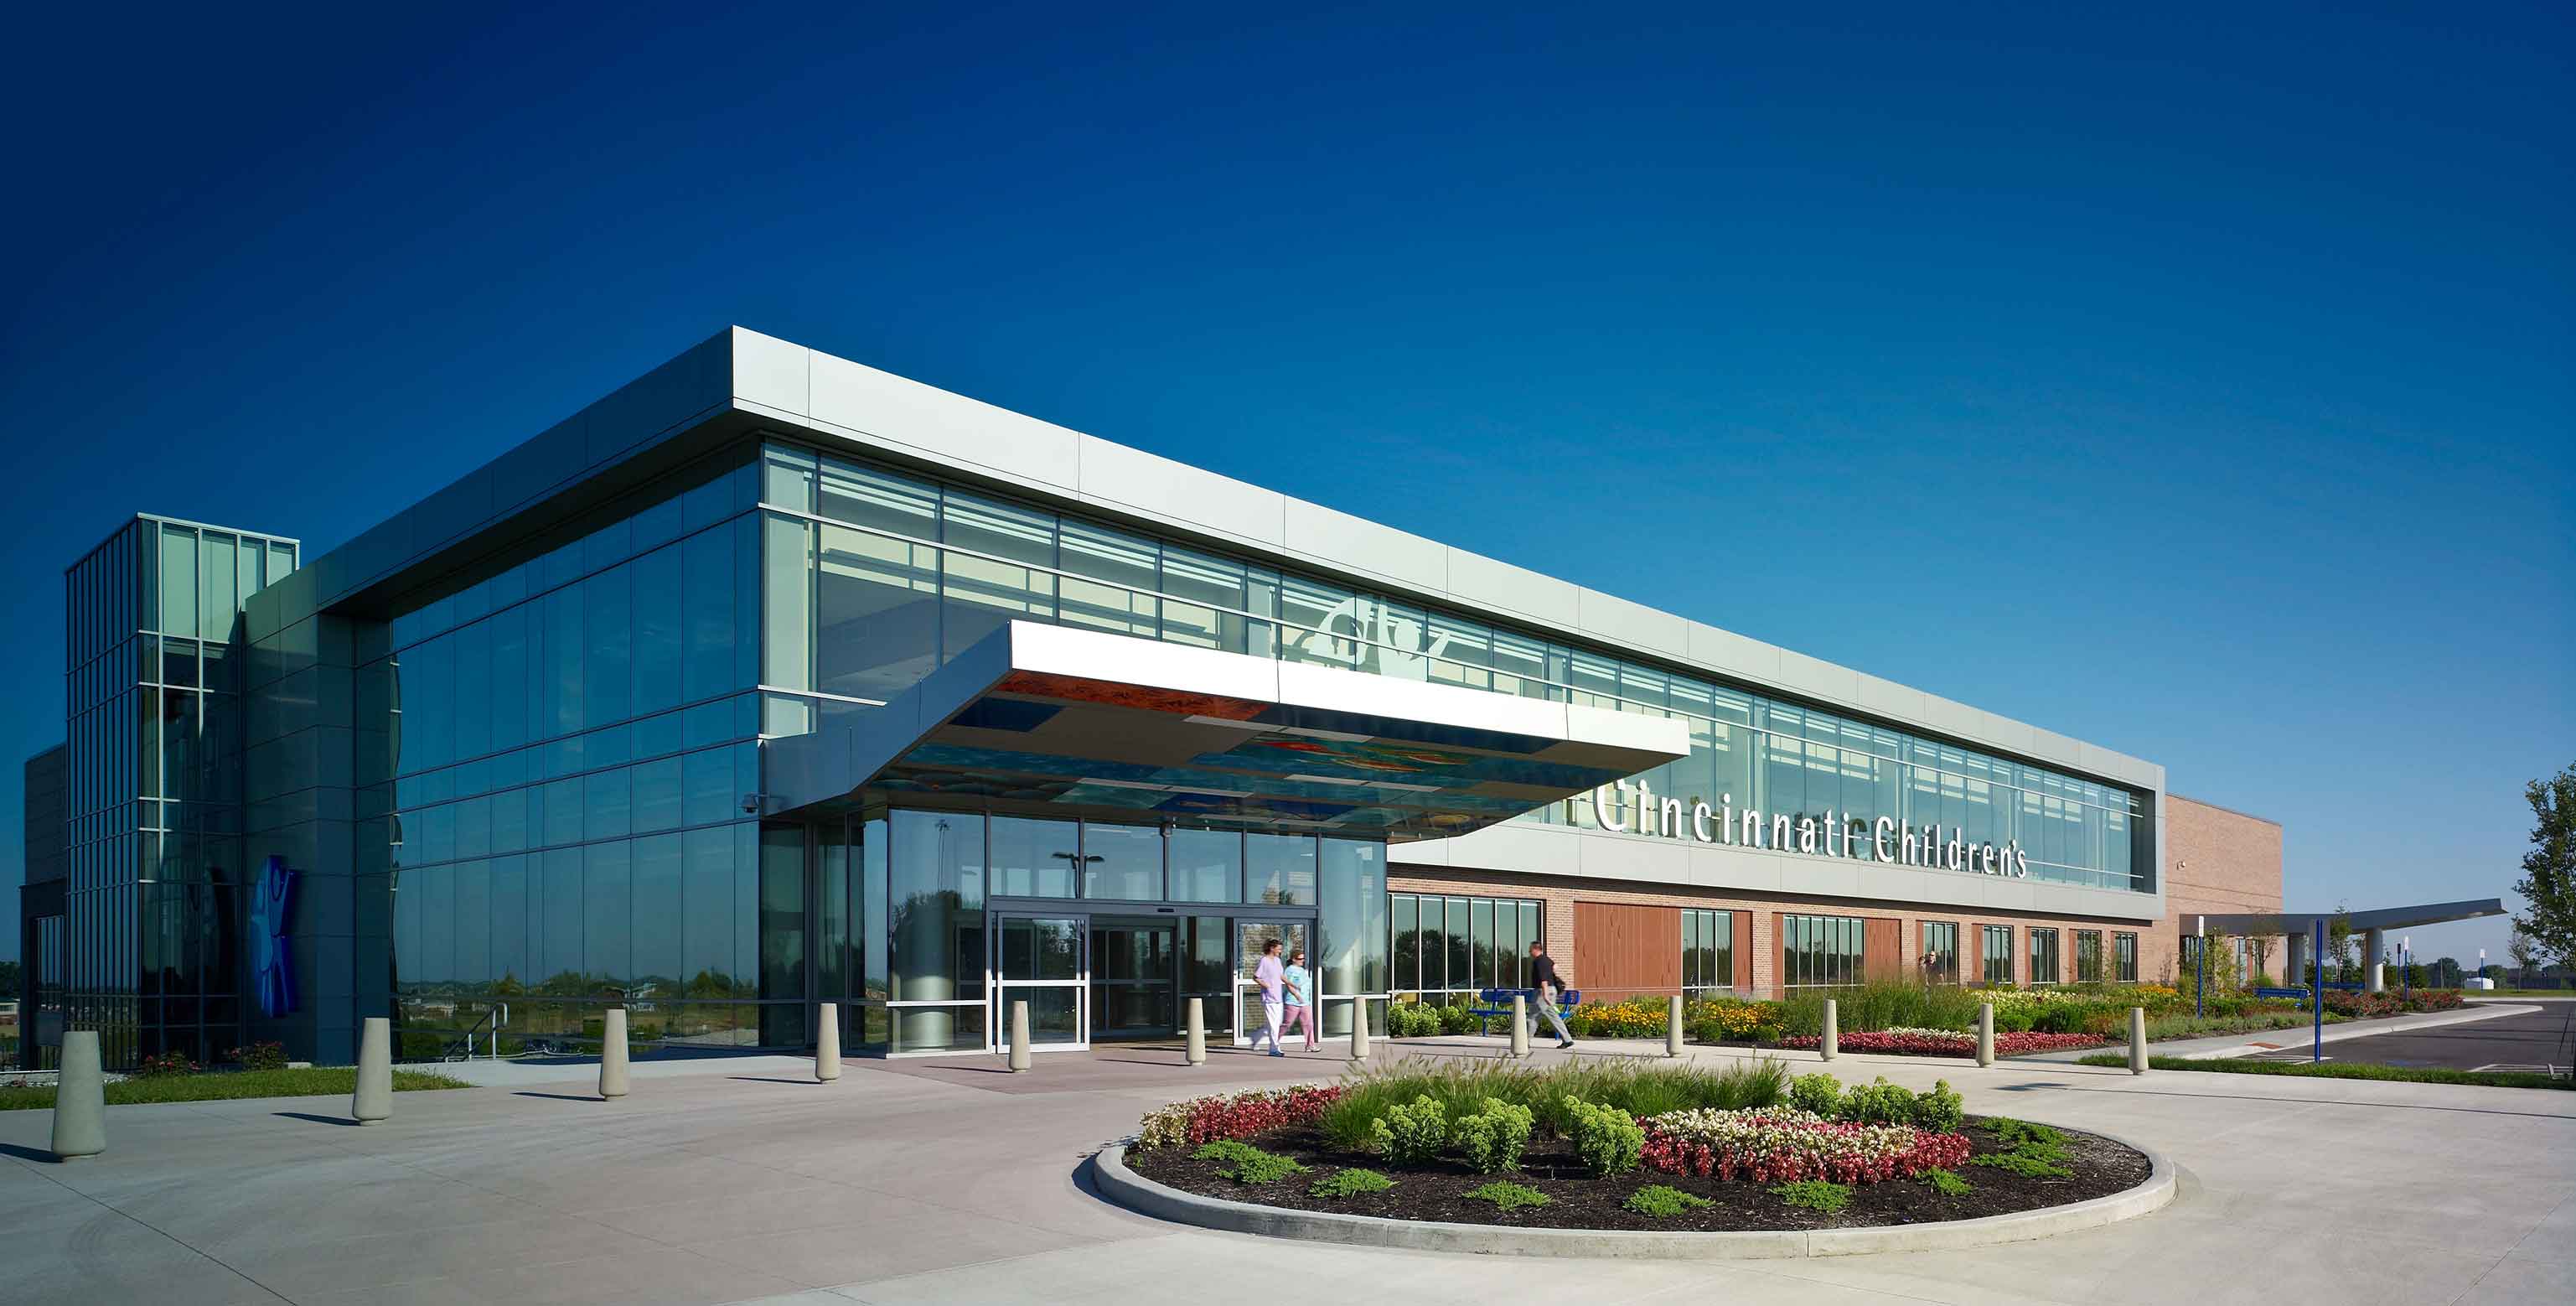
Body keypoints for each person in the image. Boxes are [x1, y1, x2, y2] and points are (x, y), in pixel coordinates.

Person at [1528, 941, 1575, 1049]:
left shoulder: (1539, 961)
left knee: (1533, 1017)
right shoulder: (1547, 960)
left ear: (1536, 949)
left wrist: (1545, 995)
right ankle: (1567, 1039)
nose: (1529, 952)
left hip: (1542, 992)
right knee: (1553, 1016)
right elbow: (1555, 967)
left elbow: (1543, 979)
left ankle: (1524, 1041)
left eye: (1530, 949)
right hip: (1551, 990)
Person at [1249, 937, 1287, 1056]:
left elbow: (1281, 976)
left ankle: (1255, 1037)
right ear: (1272, 948)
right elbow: (1256, 977)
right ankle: (1274, 1049)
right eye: (1279, 949)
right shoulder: (1264, 961)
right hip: (1269, 998)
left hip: (1278, 997)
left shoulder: (1277, 960)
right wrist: (1266, 985)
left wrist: (1292, 984)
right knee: (1273, 1026)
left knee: (1276, 1024)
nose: (1280, 951)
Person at [1280, 949, 1319, 1052]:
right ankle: (1274, 1041)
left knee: (1309, 1024)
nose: (1302, 961)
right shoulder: (1290, 970)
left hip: (1305, 1002)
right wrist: (1297, 995)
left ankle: (1310, 1045)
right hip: (1293, 1001)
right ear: (1294, 959)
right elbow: (1289, 984)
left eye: (1303, 959)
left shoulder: (1301, 970)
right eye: (1300, 959)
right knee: (1287, 1024)